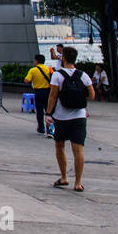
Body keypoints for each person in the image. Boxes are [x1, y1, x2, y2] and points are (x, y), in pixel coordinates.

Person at [46, 46, 94, 193]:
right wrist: (78, 97)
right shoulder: (83, 75)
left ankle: (64, 176)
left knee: (59, 146)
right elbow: (92, 96)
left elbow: (53, 96)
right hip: (79, 116)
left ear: (63, 58)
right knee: (78, 150)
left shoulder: (57, 75)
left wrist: (48, 114)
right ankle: (78, 183)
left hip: (61, 117)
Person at [25, 54, 54, 134]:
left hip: (38, 92)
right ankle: (51, 129)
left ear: (37, 61)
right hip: (48, 92)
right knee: (49, 111)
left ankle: (41, 127)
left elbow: (27, 80)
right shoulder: (49, 69)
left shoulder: (33, 70)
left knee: (40, 111)